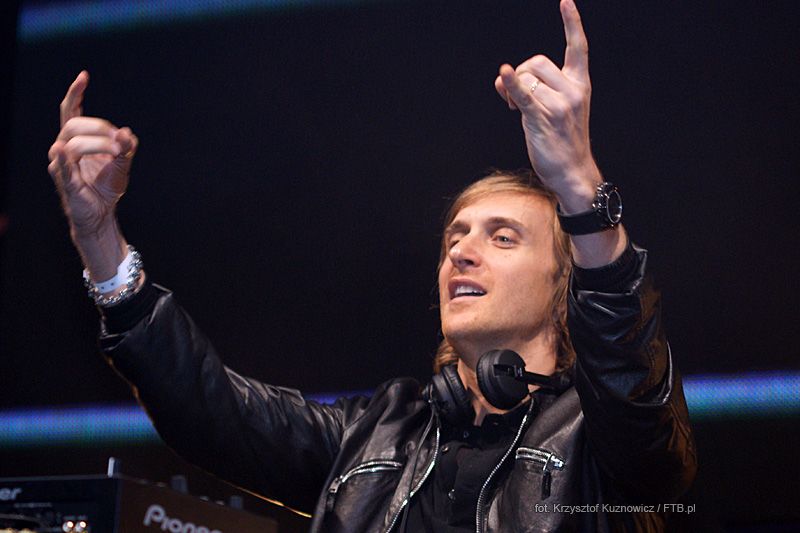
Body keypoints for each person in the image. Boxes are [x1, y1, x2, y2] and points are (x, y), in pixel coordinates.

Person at [47, 0, 696, 531]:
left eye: (503, 238)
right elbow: (208, 408)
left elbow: (630, 372)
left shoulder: (606, 437)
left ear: (563, 288)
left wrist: (578, 185)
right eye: (455, 238)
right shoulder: (376, 434)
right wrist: (98, 234)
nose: (461, 251)